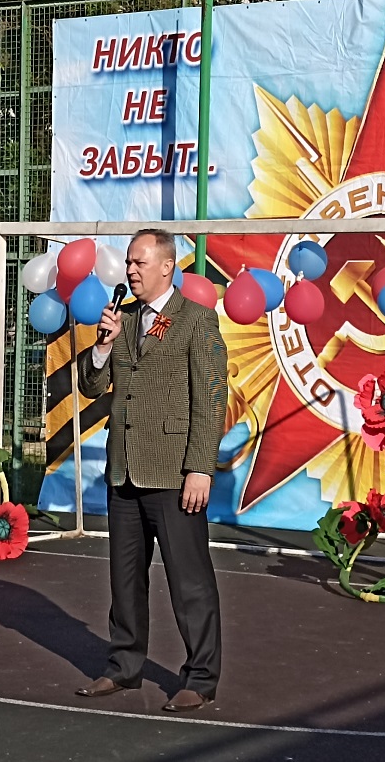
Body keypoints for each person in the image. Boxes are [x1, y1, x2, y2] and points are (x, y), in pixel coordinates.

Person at [74, 229, 229, 713]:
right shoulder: (123, 319)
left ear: (167, 266)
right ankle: (123, 666)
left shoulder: (196, 320)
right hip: (125, 471)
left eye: (139, 262)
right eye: (128, 262)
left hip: (175, 472)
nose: (131, 270)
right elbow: (92, 385)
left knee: (189, 582)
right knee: (124, 580)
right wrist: (102, 346)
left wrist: (200, 468)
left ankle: (200, 677)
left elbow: (211, 398)